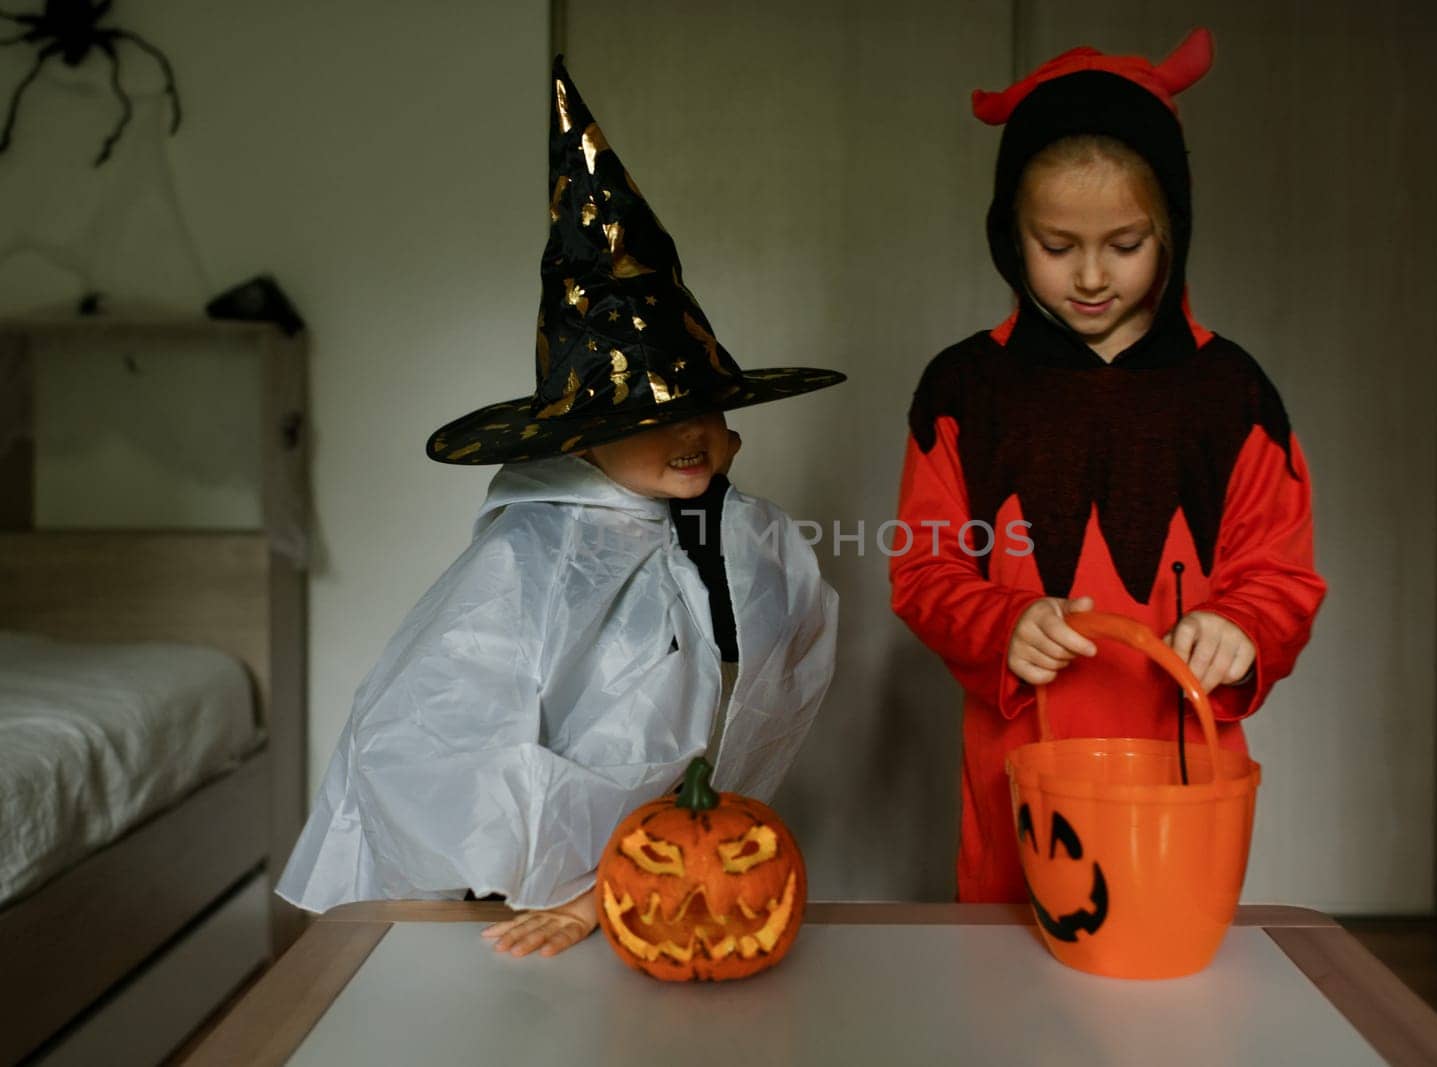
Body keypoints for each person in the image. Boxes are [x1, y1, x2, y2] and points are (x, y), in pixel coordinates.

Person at [277, 57, 844, 957]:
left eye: (707, 410)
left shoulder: (751, 537)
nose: (692, 435)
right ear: (578, 437)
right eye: (649, 419)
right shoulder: (530, 557)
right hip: (513, 891)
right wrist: (562, 880)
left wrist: (641, 869)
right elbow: (432, 733)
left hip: (662, 873)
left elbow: (761, 699)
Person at [890, 29, 1326, 903]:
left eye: (1125, 244)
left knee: (1168, 1006)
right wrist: (999, 623)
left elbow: (1280, 573)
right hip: (1022, 785)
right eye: (1057, 246)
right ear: (1011, 237)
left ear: (1173, 230)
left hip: (1182, 783)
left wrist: (1243, 626)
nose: (1091, 275)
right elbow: (924, 569)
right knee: (1012, 1008)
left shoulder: (1231, 393)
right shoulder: (962, 389)